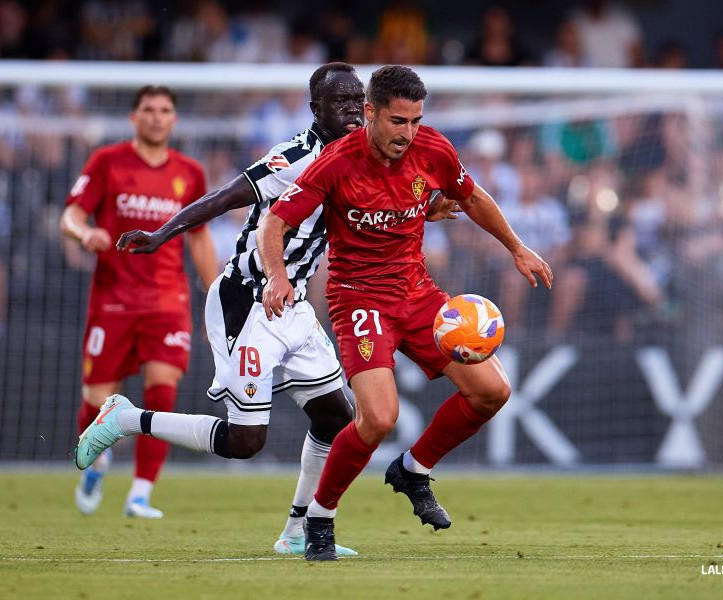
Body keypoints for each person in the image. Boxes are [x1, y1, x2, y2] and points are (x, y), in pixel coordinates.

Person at [74, 62, 456, 555]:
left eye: (354, 102)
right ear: (314, 109)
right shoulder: (295, 156)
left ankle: (297, 532)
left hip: (293, 305)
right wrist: (162, 233)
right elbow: (224, 197)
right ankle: (126, 418)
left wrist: (430, 206)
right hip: (251, 299)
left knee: (337, 419)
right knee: (245, 441)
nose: (349, 111)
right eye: (337, 103)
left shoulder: (364, 156)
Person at [260, 65, 553, 561]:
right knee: (378, 418)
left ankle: (413, 470)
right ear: (370, 113)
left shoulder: (433, 149)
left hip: (418, 294)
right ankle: (319, 516)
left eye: (416, 120)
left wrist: (516, 248)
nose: (408, 133)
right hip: (359, 297)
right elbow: (275, 223)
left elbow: (473, 197)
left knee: (493, 392)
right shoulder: (335, 162)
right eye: (398, 121)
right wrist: (278, 275)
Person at [61, 85, 218, 518]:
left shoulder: (189, 172)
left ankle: (140, 494)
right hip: (112, 300)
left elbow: (200, 236)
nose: (156, 117)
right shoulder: (107, 162)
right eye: (148, 109)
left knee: (161, 393)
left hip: (167, 299)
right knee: (95, 399)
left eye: (165, 110)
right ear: (134, 118)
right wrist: (84, 233)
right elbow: (71, 214)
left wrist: (215, 296)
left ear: (174, 120)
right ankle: (99, 463)